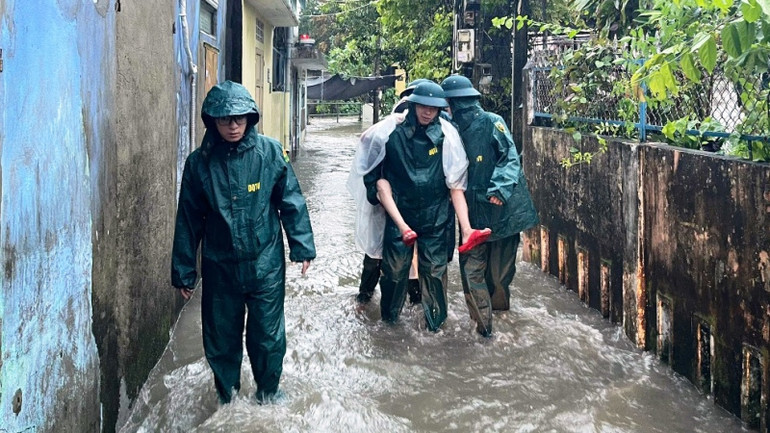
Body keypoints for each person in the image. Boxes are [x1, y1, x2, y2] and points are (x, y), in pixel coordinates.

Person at [171, 80, 316, 404]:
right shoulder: (199, 164)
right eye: (225, 119)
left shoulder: (269, 153)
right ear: (213, 121)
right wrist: (184, 271)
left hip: (265, 263)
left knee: (267, 336)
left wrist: (302, 245)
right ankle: (228, 399)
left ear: (251, 117)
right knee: (221, 338)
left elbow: (290, 200)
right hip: (220, 266)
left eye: (239, 118)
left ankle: (268, 393)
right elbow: (188, 219)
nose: (233, 125)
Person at [363, 81, 489, 331]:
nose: (428, 112)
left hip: (436, 216)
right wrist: (376, 198)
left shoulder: (447, 134)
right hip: (401, 214)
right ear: (413, 104)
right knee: (394, 272)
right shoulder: (390, 132)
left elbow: (456, 182)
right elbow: (371, 171)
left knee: (434, 273)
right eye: (423, 105)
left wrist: (465, 227)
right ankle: (389, 326)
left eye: (434, 107)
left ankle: (436, 326)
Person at [440, 74, 539, 338]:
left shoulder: (493, 122)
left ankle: (500, 319)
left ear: (455, 103)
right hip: (470, 215)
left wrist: (500, 188)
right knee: (472, 273)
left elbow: (509, 158)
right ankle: (483, 329)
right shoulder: (448, 129)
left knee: (498, 277)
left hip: (502, 213)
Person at [352, 78, 432, 306]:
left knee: (406, 253)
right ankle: (367, 298)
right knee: (377, 251)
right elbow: (368, 142)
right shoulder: (396, 119)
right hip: (384, 198)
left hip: (409, 200)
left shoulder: (431, 124)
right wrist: (374, 192)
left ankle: (400, 302)